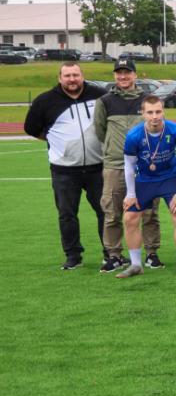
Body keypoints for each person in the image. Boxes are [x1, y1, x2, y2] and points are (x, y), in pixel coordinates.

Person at [25, 62, 107, 270]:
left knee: (106, 211)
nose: (72, 79)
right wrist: (58, 142)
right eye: (67, 75)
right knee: (67, 214)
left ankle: (111, 253)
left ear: (82, 76)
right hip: (64, 169)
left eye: (76, 75)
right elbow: (31, 128)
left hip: (98, 166)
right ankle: (73, 256)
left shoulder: (100, 95)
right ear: (60, 78)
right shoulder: (45, 100)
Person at [96, 59, 162, 272]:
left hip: (145, 167)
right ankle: (114, 255)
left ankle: (151, 253)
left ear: (135, 75)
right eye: (119, 73)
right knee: (112, 211)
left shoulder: (147, 100)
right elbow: (100, 130)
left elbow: (157, 126)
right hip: (115, 165)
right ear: (114, 75)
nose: (123, 76)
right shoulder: (105, 101)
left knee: (149, 212)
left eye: (127, 72)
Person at [116, 95, 176, 278]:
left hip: (170, 178)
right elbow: (128, 165)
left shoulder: (175, 130)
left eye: (158, 111)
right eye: (150, 112)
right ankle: (135, 265)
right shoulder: (134, 135)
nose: (155, 116)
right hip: (143, 179)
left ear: (164, 111)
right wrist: (131, 194)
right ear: (143, 113)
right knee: (130, 219)